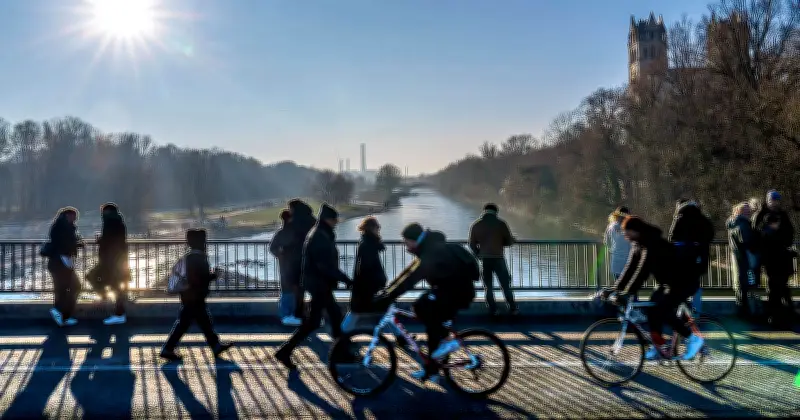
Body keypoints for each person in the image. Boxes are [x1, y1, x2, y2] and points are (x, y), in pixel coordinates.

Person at [373, 223, 479, 382]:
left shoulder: (431, 252)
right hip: (452, 291)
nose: (405, 246)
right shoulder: (430, 247)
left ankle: (445, 347)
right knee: (433, 328)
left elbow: (411, 279)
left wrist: (389, 296)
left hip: (455, 293)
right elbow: (408, 272)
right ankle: (432, 369)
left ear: (415, 240)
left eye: (407, 242)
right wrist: (388, 291)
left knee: (422, 307)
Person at [613, 216, 704, 361]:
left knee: (664, 309)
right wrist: (615, 289)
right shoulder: (638, 244)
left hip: (684, 281)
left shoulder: (651, 243)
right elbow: (630, 269)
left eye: (627, 232)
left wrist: (628, 292)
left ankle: (693, 338)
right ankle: (659, 346)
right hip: (668, 283)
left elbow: (642, 272)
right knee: (653, 309)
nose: (625, 235)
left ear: (635, 231)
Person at [274, 204, 352, 370]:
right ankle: (342, 353)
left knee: (316, 321)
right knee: (333, 316)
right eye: (334, 219)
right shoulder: (319, 236)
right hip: (319, 283)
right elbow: (324, 265)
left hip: (318, 283)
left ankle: (285, 351)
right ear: (327, 220)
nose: (336, 222)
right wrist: (345, 279)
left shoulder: (321, 233)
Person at [161, 228, 232, 361]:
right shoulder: (198, 258)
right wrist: (214, 275)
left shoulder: (189, 257)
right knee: (187, 323)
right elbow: (199, 279)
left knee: (202, 322)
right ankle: (168, 349)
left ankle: (215, 345)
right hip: (194, 296)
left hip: (190, 295)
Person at [468, 203, 518, 316]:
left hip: (485, 259)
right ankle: (513, 308)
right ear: (496, 212)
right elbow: (509, 241)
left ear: (484, 211)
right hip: (498, 258)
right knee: (505, 285)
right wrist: (507, 241)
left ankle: (493, 310)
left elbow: (471, 244)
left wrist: (478, 254)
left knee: (488, 287)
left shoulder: (476, 225)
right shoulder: (501, 224)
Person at [342, 217, 388, 333]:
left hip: (365, 286)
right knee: (357, 312)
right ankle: (341, 337)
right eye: (377, 227)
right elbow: (367, 267)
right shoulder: (368, 244)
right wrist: (379, 280)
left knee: (358, 312)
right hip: (367, 286)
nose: (379, 229)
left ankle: (342, 336)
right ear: (371, 228)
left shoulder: (367, 242)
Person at [668, 199, 714, 314]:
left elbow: (671, 237)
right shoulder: (703, 220)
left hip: (680, 258)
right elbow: (709, 235)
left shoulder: (679, 219)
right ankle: (695, 311)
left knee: (680, 285)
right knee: (695, 285)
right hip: (697, 258)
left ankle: (680, 311)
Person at [42, 207, 84, 327]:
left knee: (64, 289)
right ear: (67, 216)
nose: (75, 219)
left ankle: (64, 316)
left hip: (60, 263)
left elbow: (66, 242)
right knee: (72, 287)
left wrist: (75, 242)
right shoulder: (62, 228)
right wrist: (77, 243)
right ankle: (58, 311)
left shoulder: (61, 227)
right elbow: (65, 245)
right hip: (60, 263)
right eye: (73, 216)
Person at [761, 213, 797, 327]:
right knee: (777, 294)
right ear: (773, 222)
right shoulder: (772, 235)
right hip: (777, 269)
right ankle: (777, 319)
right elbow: (778, 252)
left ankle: (776, 317)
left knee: (775, 293)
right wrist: (791, 253)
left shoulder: (766, 233)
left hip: (773, 269)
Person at [96, 203, 129, 325]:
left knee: (114, 286)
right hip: (119, 259)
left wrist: (100, 241)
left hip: (111, 260)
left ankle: (119, 313)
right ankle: (118, 311)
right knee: (116, 286)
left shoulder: (110, 222)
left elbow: (109, 240)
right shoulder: (119, 221)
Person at [285, 199, 318, 320]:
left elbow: (290, 239)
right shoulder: (312, 220)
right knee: (313, 287)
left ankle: (299, 312)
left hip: (297, 259)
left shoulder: (294, 222)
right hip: (312, 258)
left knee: (298, 287)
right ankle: (314, 312)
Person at [269, 209, 302, 326]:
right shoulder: (296, 232)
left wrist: (279, 253)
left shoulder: (280, 233)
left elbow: (272, 248)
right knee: (293, 290)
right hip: (292, 265)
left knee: (287, 290)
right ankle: (290, 314)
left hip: (285, 265)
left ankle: (287, 315)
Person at [727, 202, 757, 316]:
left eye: (748, 211)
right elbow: (746, 241)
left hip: (739, 256)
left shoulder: (733, 223)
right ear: (738, 211)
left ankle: (743, 309)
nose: (748, 213)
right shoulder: (742, 224)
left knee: (741, 282)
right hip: (743, 256)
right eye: (745, 211)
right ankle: (745, 311)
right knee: (745, 282)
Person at [604, 206, 632, 281]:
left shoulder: (610, 226)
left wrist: (613, 251)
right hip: (629, 264)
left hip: (616, 264)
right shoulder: (630, 227)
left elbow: (607, 242)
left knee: (619, 289)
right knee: (630, 290)